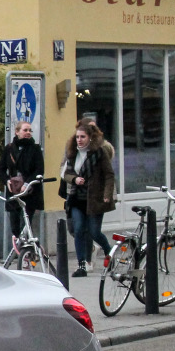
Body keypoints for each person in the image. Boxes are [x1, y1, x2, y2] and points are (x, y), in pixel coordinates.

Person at [62, 119, 116, 277]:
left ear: (90, 138)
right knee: (78, 230)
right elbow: (66, 173)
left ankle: (109, 252)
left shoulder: (99, 153)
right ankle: (82, 265)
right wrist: (74, 179)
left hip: (94, 199)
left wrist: (107, 194)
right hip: (77, 199)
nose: (79, 140)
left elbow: (109, 175)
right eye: (77, 137)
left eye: (83, 137)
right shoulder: (73, 153)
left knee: (94, 232)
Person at [0, 121, 45, 242]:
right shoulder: (9, 149)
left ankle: (27, 252)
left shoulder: (35, 149)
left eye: (30, 130)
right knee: (14, 226)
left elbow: (39, 169)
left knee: (25, 224)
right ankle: (20, 253)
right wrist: (7, 181)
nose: (28, 133)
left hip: (30, 192)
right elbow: (1, 169)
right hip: (13, 191)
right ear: (17, 132)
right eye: (25, 130)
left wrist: (27, 183)